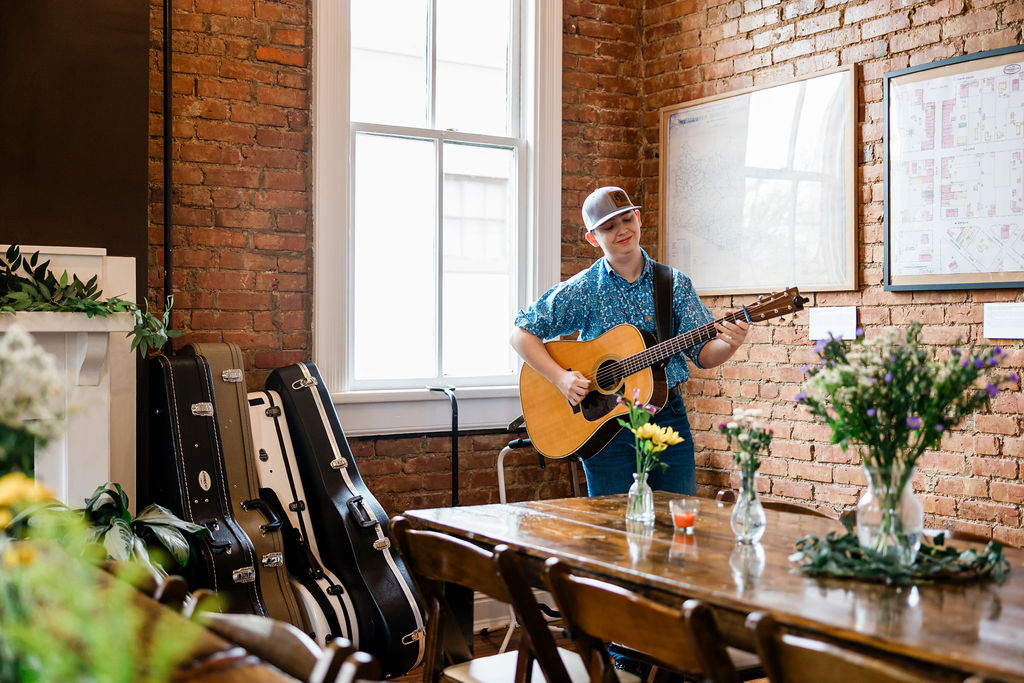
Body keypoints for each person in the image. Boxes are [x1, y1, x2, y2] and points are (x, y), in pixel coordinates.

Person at [511, 185, 749, 497]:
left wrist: (731, 342)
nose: (622, 230)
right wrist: (561, 378)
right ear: (593, 238)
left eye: (626, 220)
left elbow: (703, 354)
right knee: (613, 531)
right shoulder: (584, 288)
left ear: (638, 218)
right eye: (609, 227)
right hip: (604, 425)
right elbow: (521, 333)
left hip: (665, 417)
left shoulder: (673, 283)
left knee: (676, 522)